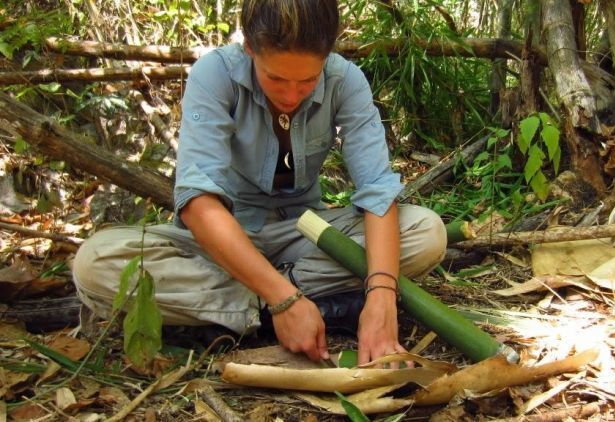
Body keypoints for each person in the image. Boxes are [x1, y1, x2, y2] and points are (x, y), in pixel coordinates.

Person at [72, 0, 447, 365]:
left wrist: (381, 295)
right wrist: (282, 298)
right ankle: (297, 309)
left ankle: (236, 315)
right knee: (95, 264)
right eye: (276, 78)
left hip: (305, 236)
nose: (290, 96)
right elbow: (198, 203)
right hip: (227, 243)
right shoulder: (215, 74)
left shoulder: (345, 80)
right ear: (249, 48)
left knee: (425, 232)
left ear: (327, 58)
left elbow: (378, 191)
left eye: (308, 81)